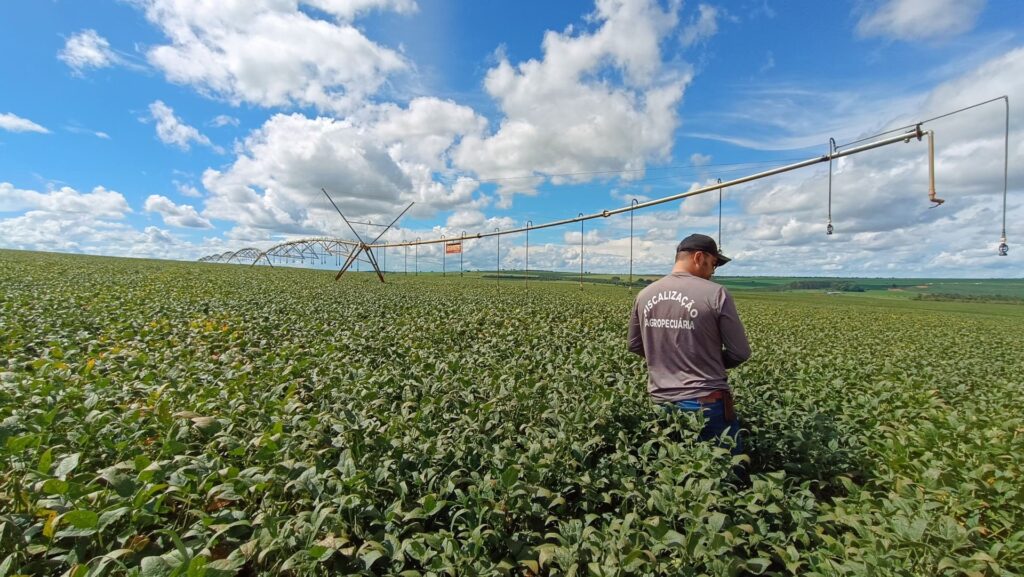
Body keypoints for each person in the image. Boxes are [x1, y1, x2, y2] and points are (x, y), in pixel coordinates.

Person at [628, 233, 751, 452]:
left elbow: (635, 345)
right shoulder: (716, 294)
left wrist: (667, 359)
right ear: (699, 257)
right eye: (713, 264)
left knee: (673, 468)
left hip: (660, 400)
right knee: (726, 472)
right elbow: (740, 352)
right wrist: (706, 361)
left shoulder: (645, 294)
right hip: (705, 401)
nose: (713, 272)